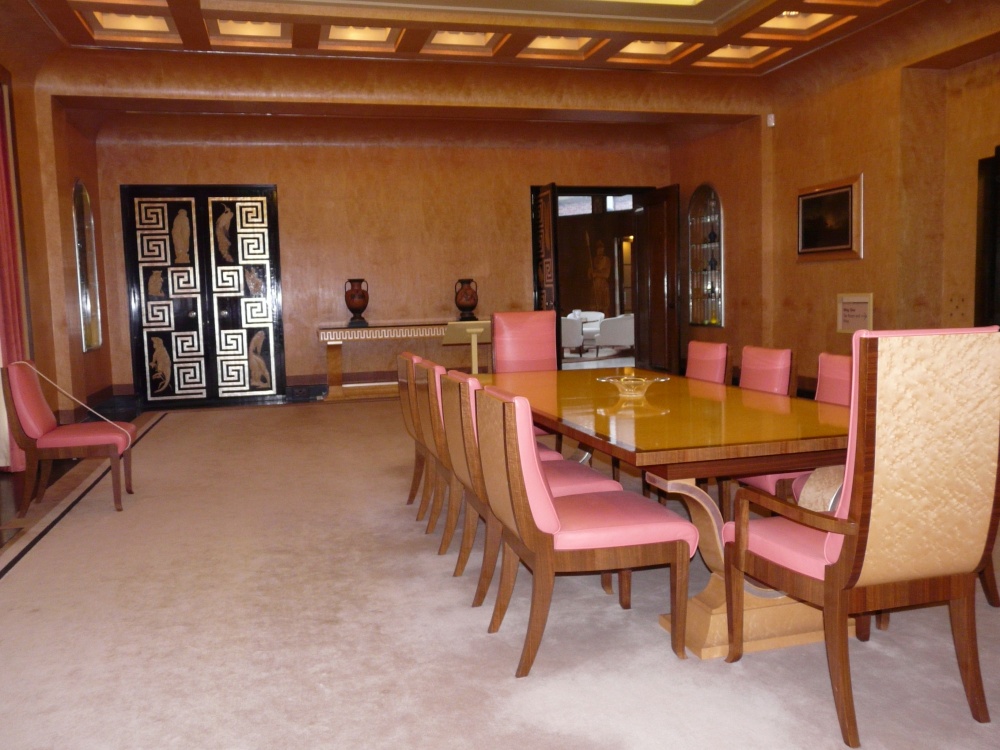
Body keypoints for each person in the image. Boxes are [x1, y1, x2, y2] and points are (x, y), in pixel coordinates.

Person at [588, 240, 612, 316]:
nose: (600, 251)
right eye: (598, 249)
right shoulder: (594, 260)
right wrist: (590, 272)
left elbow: (606, 274)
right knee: (595, 307)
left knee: (605, 307)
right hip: (596, 286)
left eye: (601, 248)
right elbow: (590, 276)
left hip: (603, 286)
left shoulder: (606, 260)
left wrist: (596, 274)